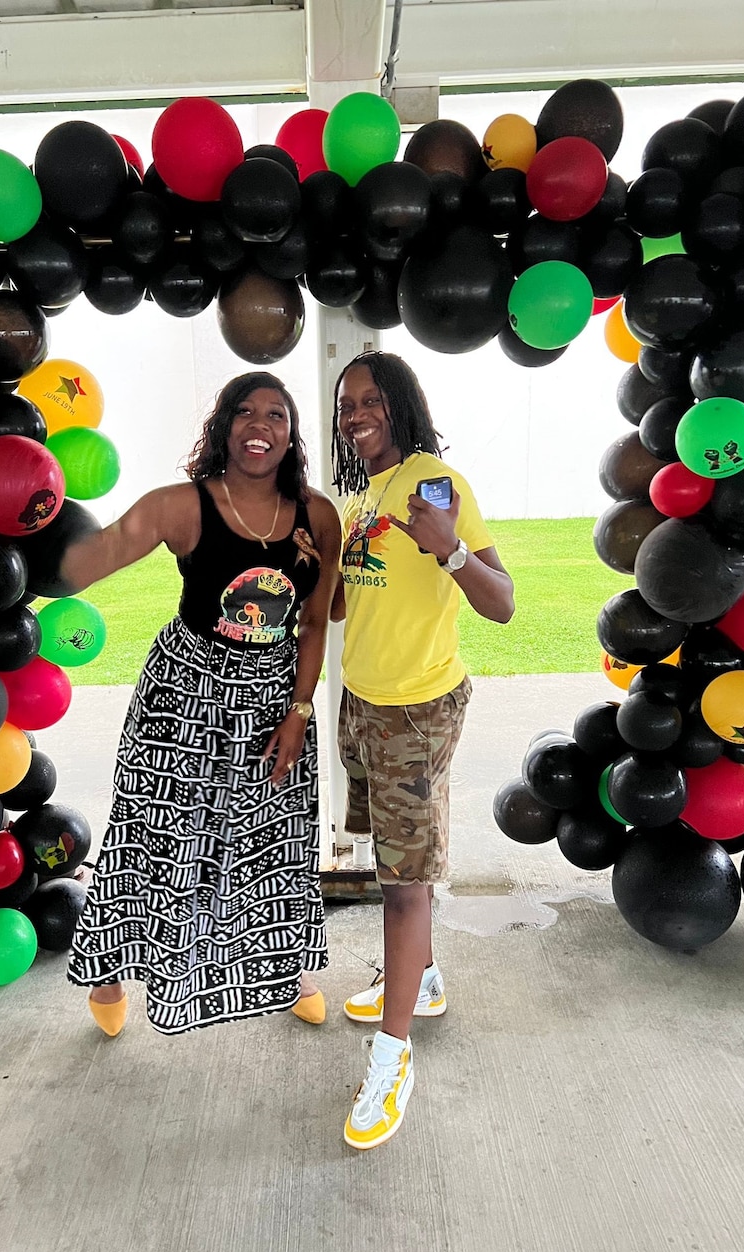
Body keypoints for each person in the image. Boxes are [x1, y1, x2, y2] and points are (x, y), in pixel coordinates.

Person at [63, 371, 341, 1038]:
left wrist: (300, 712)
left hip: (271, 697)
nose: (260, 425)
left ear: (291, 435)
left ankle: (284, 965)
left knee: (269, 837)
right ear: (223, 427)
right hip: (184, 691)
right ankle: (108, 966)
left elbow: (317, 621)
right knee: (152, 835)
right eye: (244, 412)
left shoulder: (318, 515)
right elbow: (81, 565)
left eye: (276, 415)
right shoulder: (179, 506)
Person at [330, 351, 514, 1150]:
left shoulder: (435, 483)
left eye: (371, 400)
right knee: (391, 863)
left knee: (404, 886)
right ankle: (425, 981)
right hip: (366, 702)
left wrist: (450, 549)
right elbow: (348, 598)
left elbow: (502, 604)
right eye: (347, 404)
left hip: (415, 710)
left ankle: (393, 1055)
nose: (357, 413)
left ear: (401, 405)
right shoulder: (360, 495)